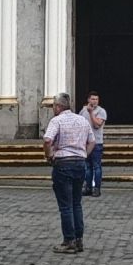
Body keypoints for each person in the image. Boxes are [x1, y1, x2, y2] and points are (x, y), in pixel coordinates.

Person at [42, 92, 94, 254]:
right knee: (76, 203)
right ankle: (79, 240)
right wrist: (84, 154)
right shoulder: (82, 120)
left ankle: (69, 240)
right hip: (79, 164)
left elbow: (47, 140)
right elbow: (92, 141)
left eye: (53, 106)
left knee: (65, 206)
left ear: (58, 107)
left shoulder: (56, 121)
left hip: (63, 163)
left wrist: (49, 155)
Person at [80, 91, 107, 197]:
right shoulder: (83, 111)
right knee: (87, 166)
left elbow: (97, 125)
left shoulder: (101, 111)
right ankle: (88, 187)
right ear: (88, 100)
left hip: (96, 143)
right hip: (85, 143)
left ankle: (97, 188)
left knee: (97, 166)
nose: (94, 101)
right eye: (92, 99)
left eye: (96, 99)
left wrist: (91, 113)